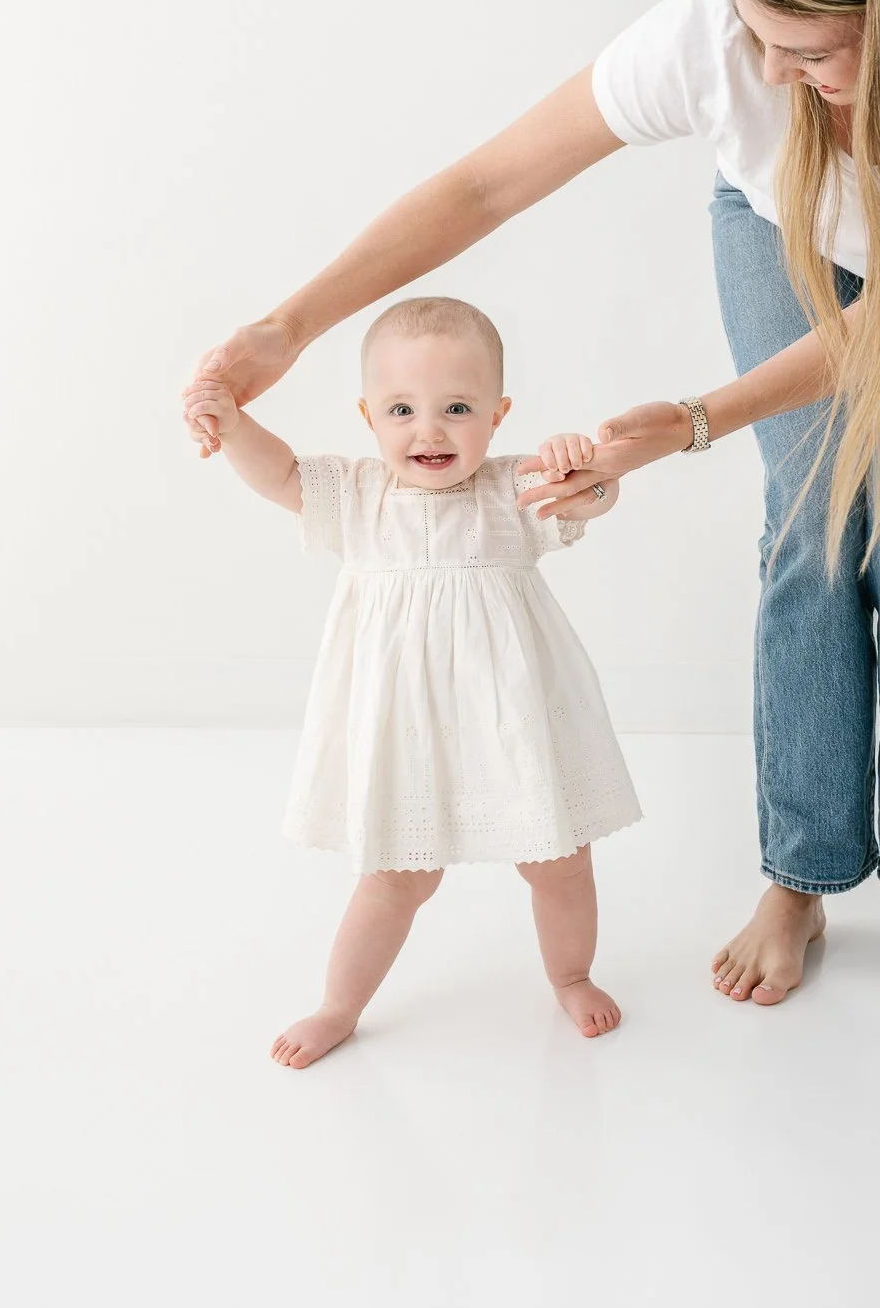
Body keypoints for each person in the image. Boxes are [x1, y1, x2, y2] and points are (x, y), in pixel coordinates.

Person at [183, 0, 880, 1028]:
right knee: (806, 528)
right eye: (757, 37)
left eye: (813, 53)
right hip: (774, 221)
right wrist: (289, 323)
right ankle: (799, 876)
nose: (771, 70)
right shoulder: (715, 36)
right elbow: (488, 180)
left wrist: (691, 418)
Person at [183, 295, 640, 1066]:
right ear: (368, 418)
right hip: (405, 727)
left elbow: (590, 500)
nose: (427, 430)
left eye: (455, 407)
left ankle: (570, 973)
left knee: (560, 861)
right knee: (395, 876)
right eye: (401, 409)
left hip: (514, 719)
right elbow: (279, 474)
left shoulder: (510, 487)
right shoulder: (358, 496)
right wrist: (230, 423)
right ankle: (338, 1005)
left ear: (496, 416)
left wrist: (586, 469)